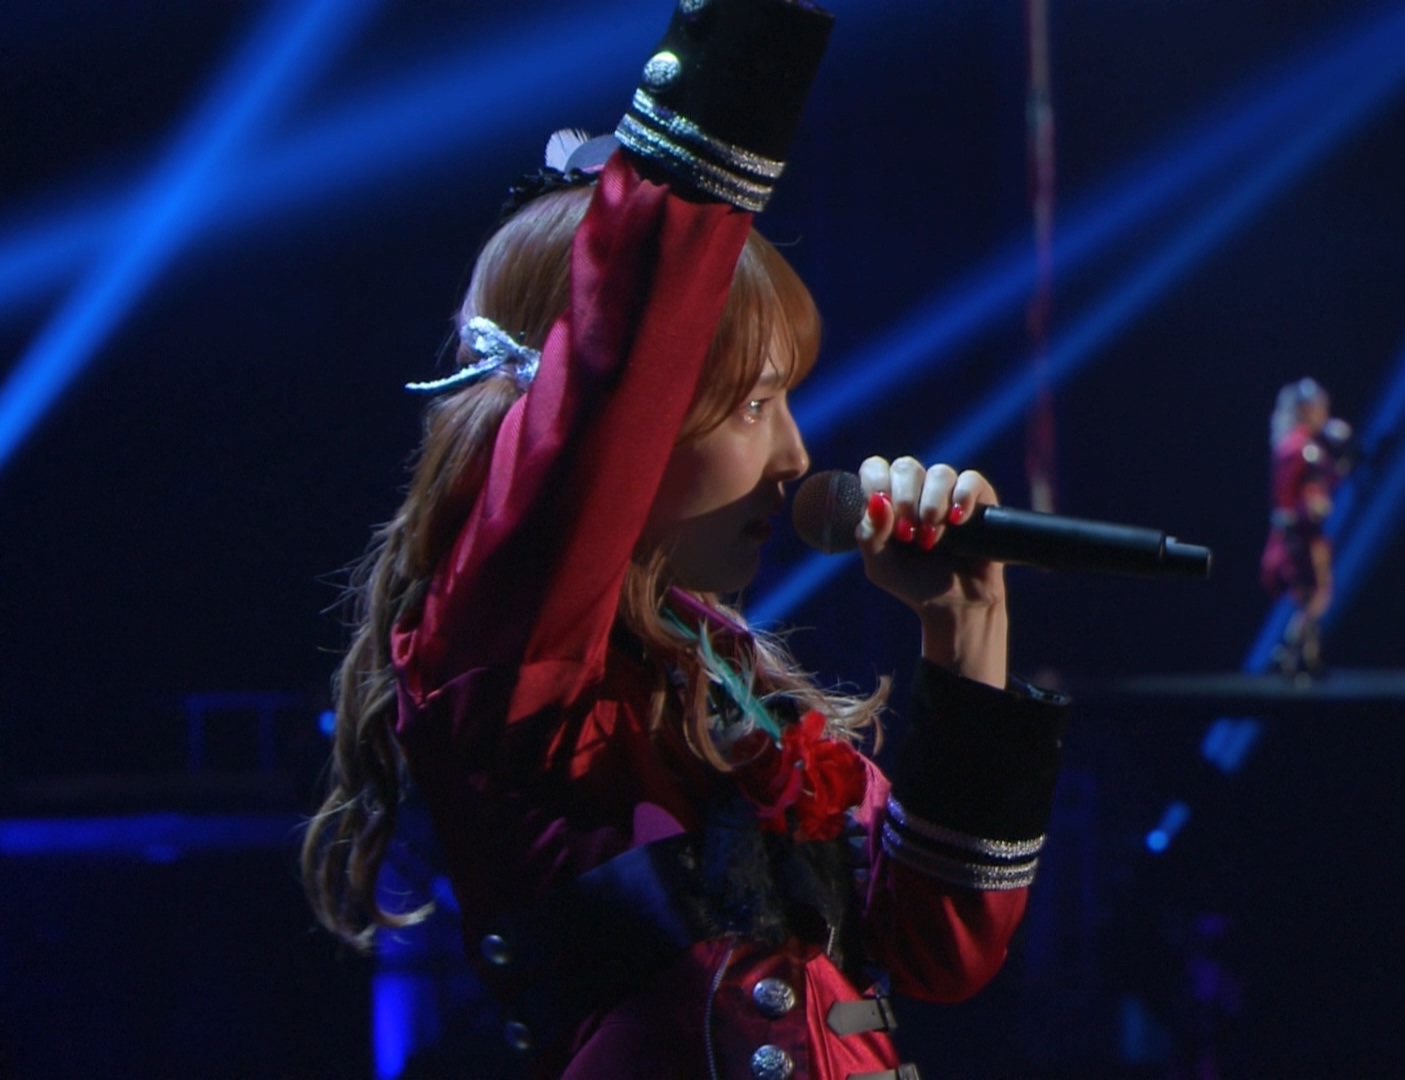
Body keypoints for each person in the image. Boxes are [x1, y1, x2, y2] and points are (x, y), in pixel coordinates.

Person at [299, 1, 1069, 1077]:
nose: (797, 456)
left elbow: (944, 953)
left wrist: (967, 623)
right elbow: (620, 355)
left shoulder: (736, 686)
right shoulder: (512, 654)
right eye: (752, 404)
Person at [1259, 378, 1351, 680]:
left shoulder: (1301, 445)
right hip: (1299, 533)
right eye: (1317, 407)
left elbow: (1321, 484)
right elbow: (1291, 493)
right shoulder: (1299, 446)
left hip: (1305, 531)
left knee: (1314, 594)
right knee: (1315, 595)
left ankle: (1306, 656)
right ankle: (1288, 651)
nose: (1322, 413)